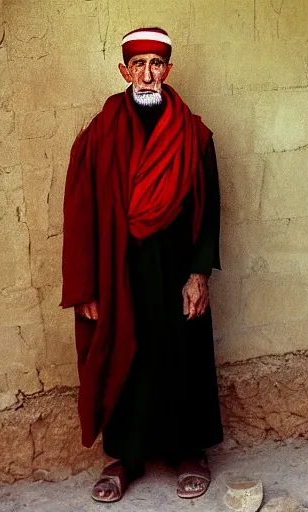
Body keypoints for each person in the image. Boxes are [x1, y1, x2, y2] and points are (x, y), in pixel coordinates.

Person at [61, 27, 223, 503]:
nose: (148, 74)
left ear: (168, 70)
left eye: (157, 64)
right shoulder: (100, 132)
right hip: (119, 270)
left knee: (182, 357)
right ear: (124, 71)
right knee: (122, 357)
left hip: (175, 270)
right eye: (139, 65)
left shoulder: (192, 132)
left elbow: (209, 204)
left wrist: (198, 274)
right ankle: (124, 457)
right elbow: (82, 211)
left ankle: (188, 451)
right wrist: (88, 285)